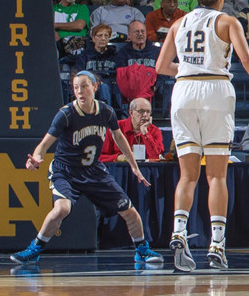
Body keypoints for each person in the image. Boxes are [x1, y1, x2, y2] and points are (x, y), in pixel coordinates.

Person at [156, 0, 249, 272]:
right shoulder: (227, 20)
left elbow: (162, 66)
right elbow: (246, 58)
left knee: (187, 175)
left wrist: (190, 69)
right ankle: (217, 243)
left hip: (184, 91)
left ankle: (179, 232)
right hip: (215, 90)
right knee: (216, 175)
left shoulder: (179, 23)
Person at [9, 71, 163, 266]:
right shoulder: (66, 114)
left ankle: (142, 250)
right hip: (66, 170)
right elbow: (44, 143)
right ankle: (35, 248)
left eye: (84, 86)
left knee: (130, 212)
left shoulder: (106, 111)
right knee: (61, 210)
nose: (80, 92)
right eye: (75, 88)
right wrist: (35, 158)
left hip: (93, 170)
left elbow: (119, 137)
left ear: (95, 87)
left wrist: (134, 167)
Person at [100, 98, 165, 162]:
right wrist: (117, 157)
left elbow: (156, 157)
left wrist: (145, 132)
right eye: (141, 111)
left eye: (148, 111)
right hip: (120, 170)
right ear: (131, 112)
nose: (145, 115)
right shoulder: (116, 128)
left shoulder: (155, 131)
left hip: (145, 170)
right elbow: (100, 157)